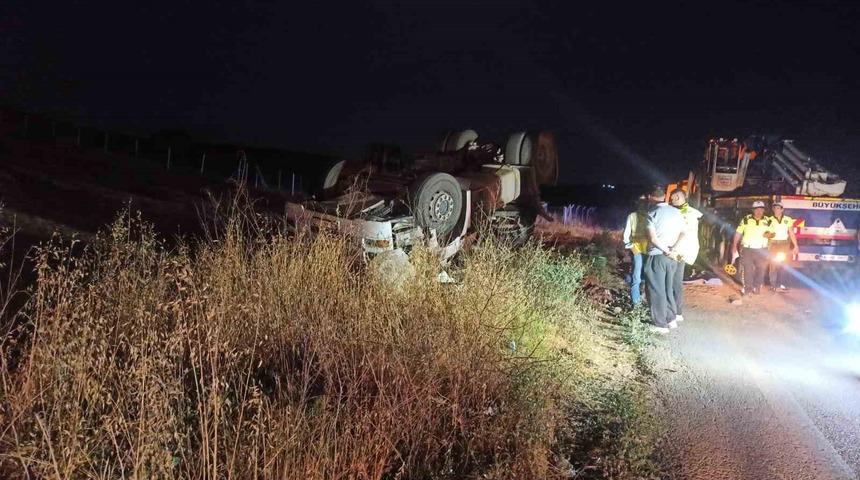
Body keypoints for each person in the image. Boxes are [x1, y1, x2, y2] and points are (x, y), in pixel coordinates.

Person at [643, 186, 685, 333]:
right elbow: (683, 233)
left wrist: (666, 250)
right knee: (668, 288)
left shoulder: (652, 214)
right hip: (674, 257)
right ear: (664, 197)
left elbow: (653, 238)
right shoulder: (677, 212)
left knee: (656, 289)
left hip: (657, 256)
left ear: (651, 198)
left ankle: (660, 325)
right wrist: (673, 249)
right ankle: (671, 318)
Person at [668, 189, 703, 322]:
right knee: (674, 281)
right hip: (677, 250)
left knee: (674, 281)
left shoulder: (689, 214)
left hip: (678, 251)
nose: (672, 200)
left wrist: (673, 249)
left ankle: (676, 312)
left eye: (674, 197)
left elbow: (684, 234)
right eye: (671, 198)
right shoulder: (681, 211)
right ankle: (676, 311)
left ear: (681, 197)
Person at [731, 200, 772, 295]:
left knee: (761, 270)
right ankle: (747, 290)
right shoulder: (746, 220)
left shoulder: (768, 221)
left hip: (762, 250)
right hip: (747, 249)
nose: (759, 211)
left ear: (763, 210)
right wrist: (734, 246)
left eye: (761, 209)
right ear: (753, 210)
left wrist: (770, 235)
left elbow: (772, 233)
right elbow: (738, 233)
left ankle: (757, 287)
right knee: (747, 270)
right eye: (756, 209)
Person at [767, 200, 799, 291]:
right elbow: (766, 233)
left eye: (778, 208)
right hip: (773, 244)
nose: (776, 210)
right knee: (773, 265)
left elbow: (791, 233)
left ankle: (782, 284)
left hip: (784, 244)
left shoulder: (787, 220)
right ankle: (773, 285)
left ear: (782, 209)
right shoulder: (769, 220)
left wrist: (796, 245)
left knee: (785, 265)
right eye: (775, 208)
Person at [622, 199, 650, 305]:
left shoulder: (651, 215)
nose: (643, 205)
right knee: (636, 277)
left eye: (645, 203)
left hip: (649, 251)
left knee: (647, 277)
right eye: (641, 203)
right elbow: (626, 235)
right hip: (637, 250)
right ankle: (636, 303)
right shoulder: (632, 216)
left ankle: (645, 299)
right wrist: (630, 247)